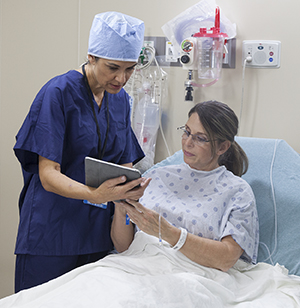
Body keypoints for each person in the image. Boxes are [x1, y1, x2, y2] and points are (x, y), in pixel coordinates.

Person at [13, 11, 151, 292]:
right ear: (91, 57)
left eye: (129, 69)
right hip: (52, 230)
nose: (121, 78)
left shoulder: (121, 100)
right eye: (112, 67)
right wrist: (94, 195)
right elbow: (48, 174)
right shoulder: (59, 92)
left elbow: (124, 164)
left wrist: (132, 189)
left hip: (98, 234)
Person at [112, 100, 259, 271]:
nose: (188, 142)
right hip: (134, 267)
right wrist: (121, 208)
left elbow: (227, 258)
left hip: (191, 275)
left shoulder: (237, 192)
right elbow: (124, 248)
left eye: (200, 138)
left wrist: (168, 232)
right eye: (187, 132)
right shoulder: (155, 177)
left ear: (223, 147)